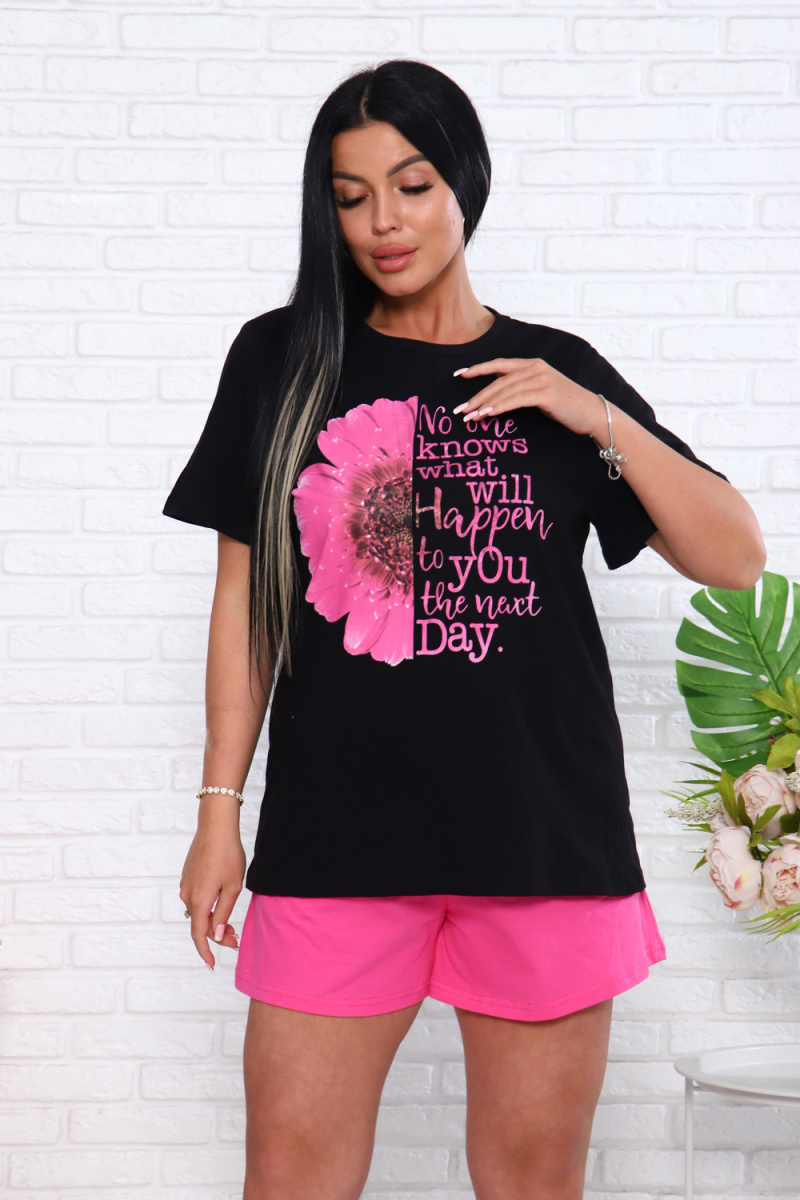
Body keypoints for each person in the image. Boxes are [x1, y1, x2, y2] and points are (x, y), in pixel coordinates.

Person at [164, 59, 765, 1200]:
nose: (382, 223)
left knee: (532, 1182)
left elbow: (733, 555)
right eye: (351, 196)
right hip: (336, 837)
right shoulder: (282, 360)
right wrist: (216, 815)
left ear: (465, 184)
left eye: (412, 186)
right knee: (290, 1177)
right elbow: (247, 609)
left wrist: (589, 413)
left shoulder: (555, 373)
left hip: (541, 839)